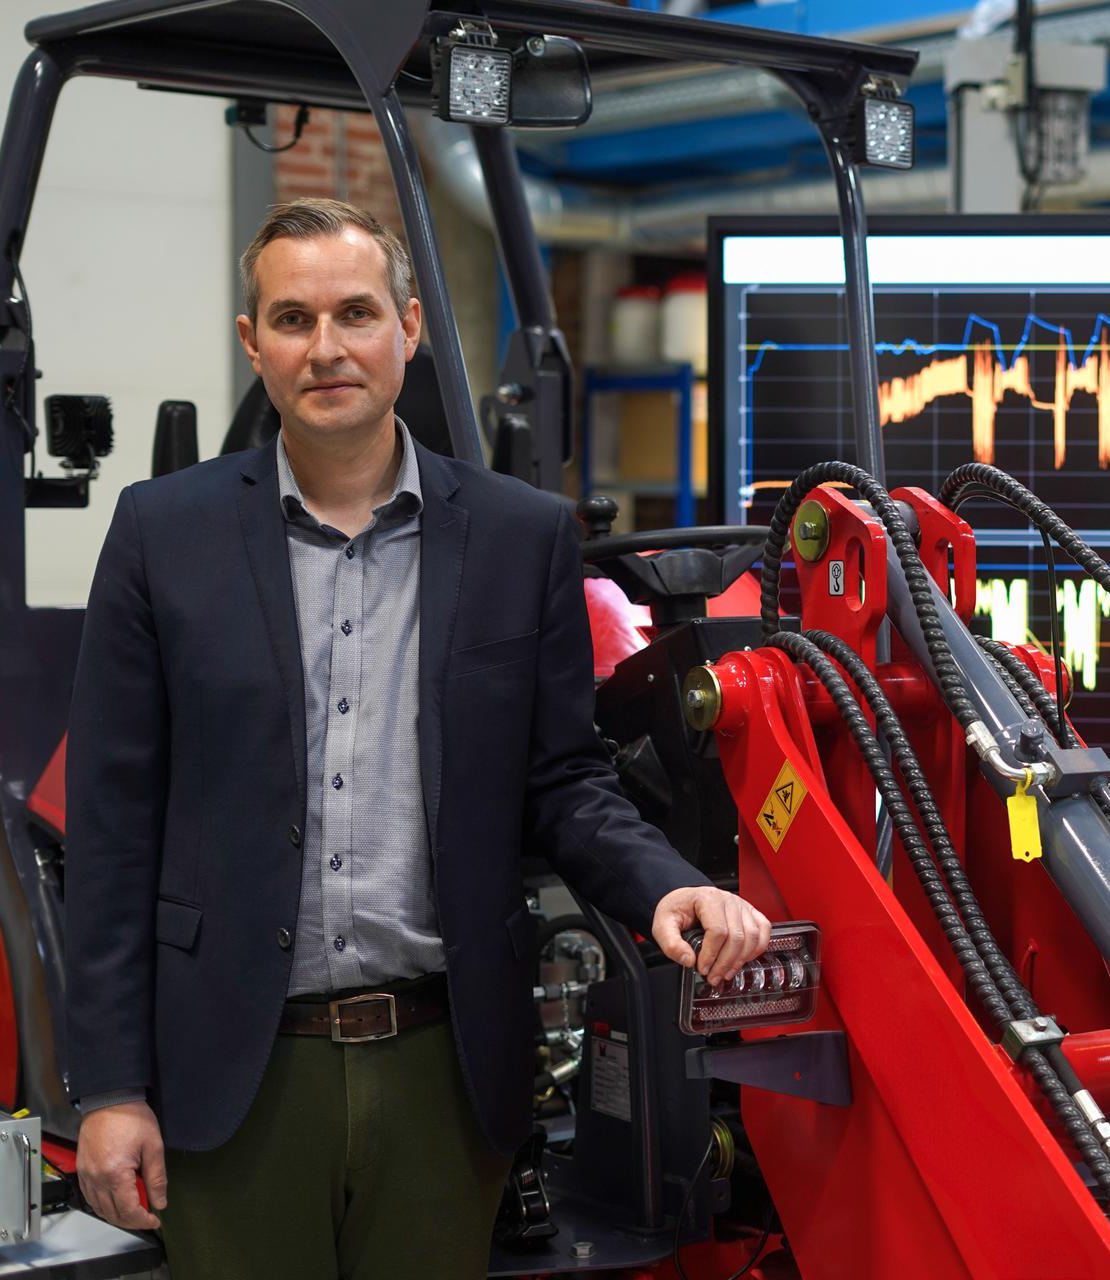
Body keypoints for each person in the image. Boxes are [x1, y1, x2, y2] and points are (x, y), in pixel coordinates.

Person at [64, 197, 771, 1278]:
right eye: (293, 319)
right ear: (253, 342)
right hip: (232, 1070)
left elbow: (565, 781)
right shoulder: (162, 533)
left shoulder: (521, 536)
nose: (327, 347)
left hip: (443, 1072)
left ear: (407, 325)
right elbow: (113, 829)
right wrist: (111, 1087)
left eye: (355, 313)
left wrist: (666, 884)